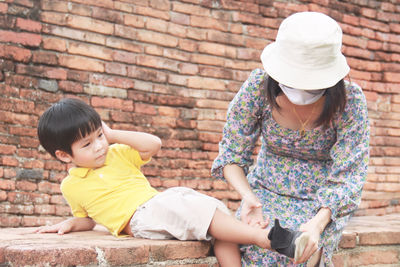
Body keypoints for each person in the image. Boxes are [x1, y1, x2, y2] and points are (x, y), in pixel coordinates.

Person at [35, 98, 311, 267]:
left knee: (217, 224)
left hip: (161, 204)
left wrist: (114, 134)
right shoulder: (72, 186)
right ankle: (267, 239)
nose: (98, 146)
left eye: (99, 136)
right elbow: (87, 219)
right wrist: (70, 223)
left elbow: (153, 144)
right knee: (197, 211)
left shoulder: (116, 153)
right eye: (87, 143)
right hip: (141, 217)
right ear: (63, 155)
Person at [212, 11, 370, 266]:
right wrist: (248, 196)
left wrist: (318, 224)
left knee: (302, 250)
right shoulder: (257, 88)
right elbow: (232, 154)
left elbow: (349, 175)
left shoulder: (350, 102)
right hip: (264, 193)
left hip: (322, 201)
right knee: (259, 243)